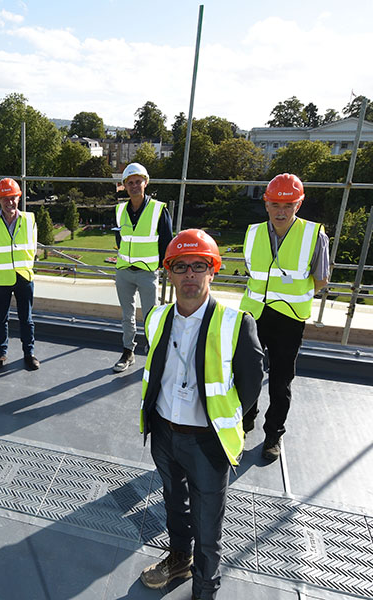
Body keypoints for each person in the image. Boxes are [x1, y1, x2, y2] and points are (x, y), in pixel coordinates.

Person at [138, 229, 263, 600]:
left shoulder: (236, 323)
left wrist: (226, 418)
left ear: (213, 271)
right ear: (169, 273)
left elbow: (252, 384)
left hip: (207, 441)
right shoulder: (157, 318)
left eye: (199, 266)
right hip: (164, 433)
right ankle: (179, 558)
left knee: (208, 523)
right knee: (175, 504)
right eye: (181, 266)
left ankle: (205, 588)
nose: (189, 274)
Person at [240, 173, 329, 462]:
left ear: (298, 205)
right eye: (275, 204)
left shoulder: (314, 235)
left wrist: (288, 295)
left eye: (288, 205)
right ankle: (245, 420)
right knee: (246, 373)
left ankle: (273, 435)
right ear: (266, 204)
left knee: (280, 380)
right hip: (253, 314)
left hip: (289, 319)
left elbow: (321, 279)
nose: (281, 211)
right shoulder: (253, 233)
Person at [112, 162, 173, 373]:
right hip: (124, 272)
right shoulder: (120, 210)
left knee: (151, 316)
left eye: (138, 181)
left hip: (148, 272)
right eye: (130, 183)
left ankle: (154, 354)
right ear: (125, 186)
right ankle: (128, 352)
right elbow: (119, 239)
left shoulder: (158, 209)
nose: (134, 186)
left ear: (146, 183)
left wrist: (167, 268)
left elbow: (167, 241)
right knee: (126, 315)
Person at [0, 177, 40, 371]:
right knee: (0, 319)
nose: (9, 202)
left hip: (24, 277)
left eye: (13, 197)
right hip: (0, 279)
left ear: (19, 198)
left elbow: (33, 247)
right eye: (5, 198)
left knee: (27, 319)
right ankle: (1, 353)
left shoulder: (29, 219)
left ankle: (29, 354)